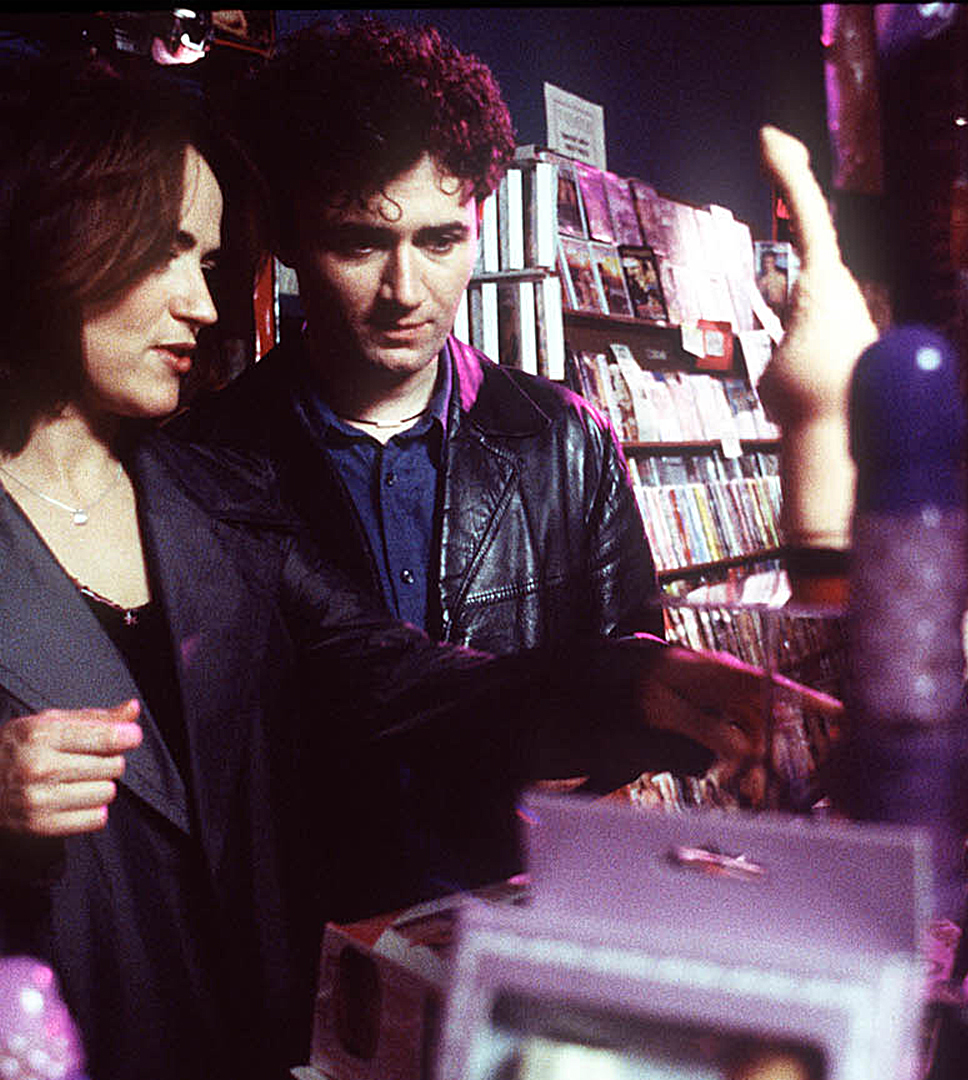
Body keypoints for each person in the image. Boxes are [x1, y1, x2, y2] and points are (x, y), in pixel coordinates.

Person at [0, 53, 788, 1080]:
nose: (201, 305)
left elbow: (407, 683)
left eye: (205, 262)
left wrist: (640, 682)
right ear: (43, 237)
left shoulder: (216, 500)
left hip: (268, 1039)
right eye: (166, 254)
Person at [172, 16, 664, 905]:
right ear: (286, 237)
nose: (406, 291)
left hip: (515, 920)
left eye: (441, 241)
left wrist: (587, 767)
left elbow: (636, 679)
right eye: (361, 242)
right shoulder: (203, 461)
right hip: (306, 941)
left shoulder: (569, 440)